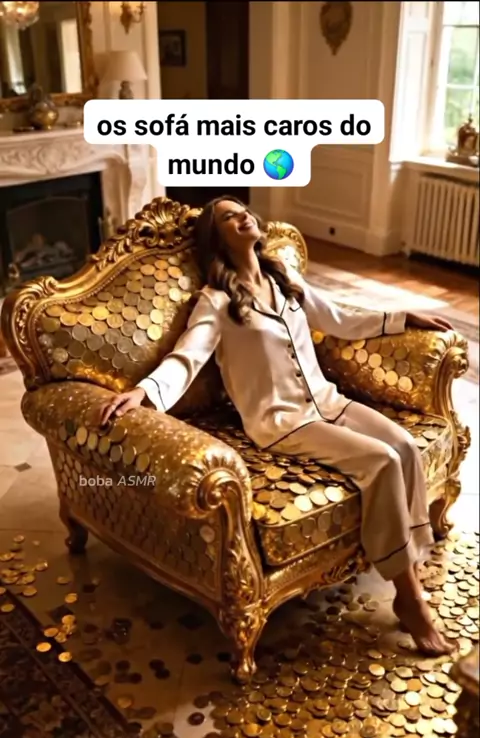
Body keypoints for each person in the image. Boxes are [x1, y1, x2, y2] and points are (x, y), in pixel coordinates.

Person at [97, 196, 456, 656]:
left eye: (243, 210)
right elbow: (187, 356)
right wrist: (144, 393)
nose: (243, 216)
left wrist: (402, 318)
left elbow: (338, 317)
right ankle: (410, 600)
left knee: (404, 445)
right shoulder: (216, 301)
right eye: (229, 217)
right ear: (217, 239)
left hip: (327, 401)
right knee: (382, 461)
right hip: (282, 421)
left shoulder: (283, 279)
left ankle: (413, 565)